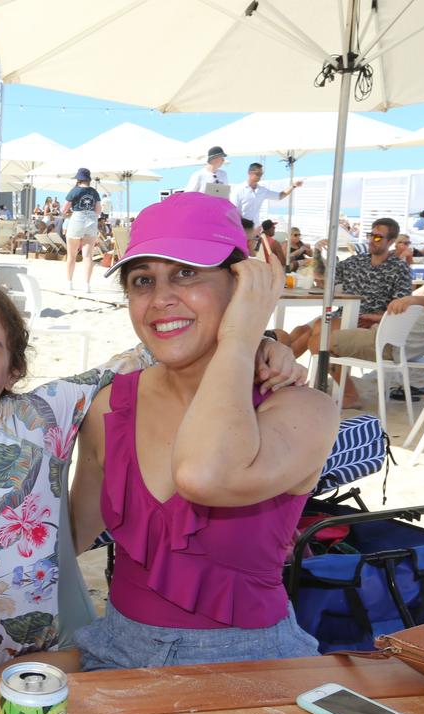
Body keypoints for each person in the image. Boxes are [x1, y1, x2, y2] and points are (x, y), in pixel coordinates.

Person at [0, 276, 305, 681]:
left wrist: (263, 342)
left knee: (2, 693)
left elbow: (146, 355)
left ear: (13, 371)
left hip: (66, 644)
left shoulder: (44, 414)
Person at [71, 192, 337, 670]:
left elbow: (206, 475)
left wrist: (244, 336)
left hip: (252, 668)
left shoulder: (303, 409)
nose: (160, 299)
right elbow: (72, 533)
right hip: (113, 652)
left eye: (187, 272)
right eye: (142, 281)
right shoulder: (112, 404)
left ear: (242, 285)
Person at [326, 239, 424, 405]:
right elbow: (420, 318)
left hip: (389, 345)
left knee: (321, 342)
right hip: (388, 337)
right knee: (317, 333)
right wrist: (380, 318)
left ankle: (349, 395)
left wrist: (414, 299)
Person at [279, 218, 412, 364]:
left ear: (391, 241)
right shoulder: (356, 261)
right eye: (370, 235)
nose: (372, 240)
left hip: (365, 322)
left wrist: (376, 318)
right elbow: (322, 275)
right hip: (342, 315)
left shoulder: (399, 269)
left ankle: (281, 370)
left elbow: (402, 307)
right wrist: (317, 252)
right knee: (301, 330)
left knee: (316, 330)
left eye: (378, 237)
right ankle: (278, 367)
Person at [63, 168, 103, 292]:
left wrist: (68, 214)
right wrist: (91, 217)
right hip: (91, 220)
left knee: (72, 255)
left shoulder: (74, 191)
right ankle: (87, 285)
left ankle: (69, 283)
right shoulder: (94, 192)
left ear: (78, 179)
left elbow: (64, 209)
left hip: (77, 219)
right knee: (87, 256)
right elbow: (98, 210)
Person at [230, 163, 301, 223]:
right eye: (258, 174)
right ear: (249, 173)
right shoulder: (238, 189)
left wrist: (293, 186)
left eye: (261, 174)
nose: (260, 176)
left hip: (255, 228)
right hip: (240, 226)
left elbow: (280, 196)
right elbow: (233, 209)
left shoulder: (262, 190)